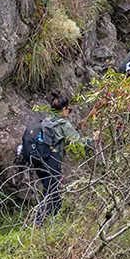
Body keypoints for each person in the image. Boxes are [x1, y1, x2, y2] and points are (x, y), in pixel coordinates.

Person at [23, 91, 97, 221]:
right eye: (68, 109)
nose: (68, 112)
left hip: (40, 159)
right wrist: (93, 140)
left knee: (52, 189)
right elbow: (78, 142)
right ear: (64, 109)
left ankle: (54, 219)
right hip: (52, 159)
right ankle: (38, 222)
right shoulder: (63, 124)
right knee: (51, 190)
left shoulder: (47, 120)